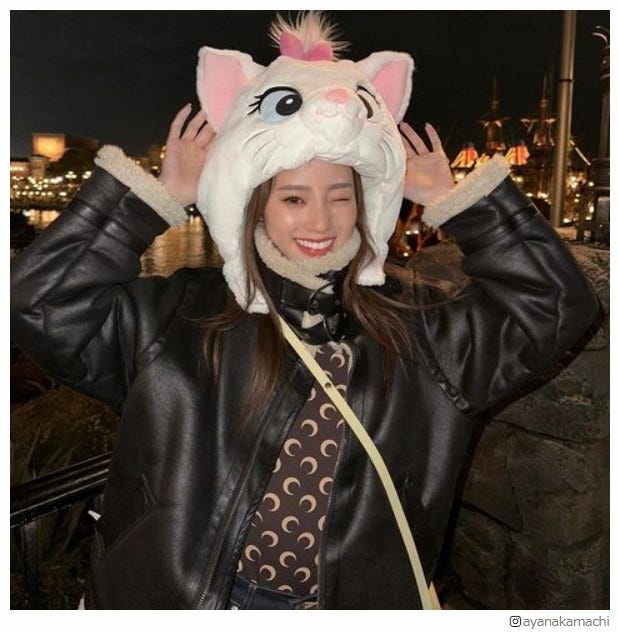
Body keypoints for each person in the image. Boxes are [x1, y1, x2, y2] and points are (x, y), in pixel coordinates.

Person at [10, 12, 599, 610]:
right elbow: (39, 302)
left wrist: (458, 201)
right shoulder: (182, 317)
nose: (319, 222)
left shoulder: (418, 329)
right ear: (254, 204)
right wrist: (154, 199)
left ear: (366, 202)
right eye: (293, 198)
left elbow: (556, 305)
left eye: (340, 197)